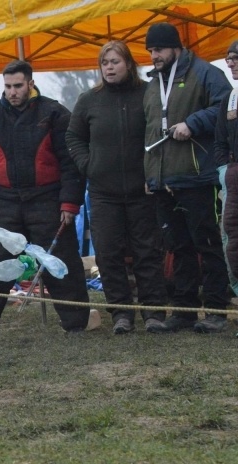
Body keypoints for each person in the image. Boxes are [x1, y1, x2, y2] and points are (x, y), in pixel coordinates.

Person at [0, 59, 90, 344]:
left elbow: (71, 164)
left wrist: (70, 204)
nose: (12, 92)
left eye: (18, 86)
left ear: (31, 84)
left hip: (49, 201)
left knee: (62, 263)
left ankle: (77, 324)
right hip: (8, 204)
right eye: (7, 86)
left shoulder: (55, 114)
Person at [66, 41, 168, 334]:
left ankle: (153, 313)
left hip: (142, 189)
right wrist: (90, 165)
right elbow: (73, 137)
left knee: (147, 252)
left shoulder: (147, 94)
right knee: (108, 253)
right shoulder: (89, 100)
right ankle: (121, 313)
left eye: (114, 62)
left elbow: (160, 132)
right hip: (103, 192)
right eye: (104, 63)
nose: (109, 68)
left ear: (128, 64)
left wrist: (154, 172)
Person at [143, 22, 232, 333]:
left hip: (197, 176)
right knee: (177, 247)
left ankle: (217, 309)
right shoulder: (153, 84)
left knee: (207, 244)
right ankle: (183, 311)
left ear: (175, 48)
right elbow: (150, 131)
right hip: (164, 181)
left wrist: (193, 122)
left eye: (159, 50)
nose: (154, 56)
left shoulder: (205, 73)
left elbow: (226, 106)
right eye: (151, 51)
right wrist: (150, 174)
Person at [214, 40, 238, 305]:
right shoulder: (229, 100)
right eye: (228, 57)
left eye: (235, 58)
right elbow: (219, 142)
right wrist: (224, 171)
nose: (229, 63)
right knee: (232, 241)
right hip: (234, 181)